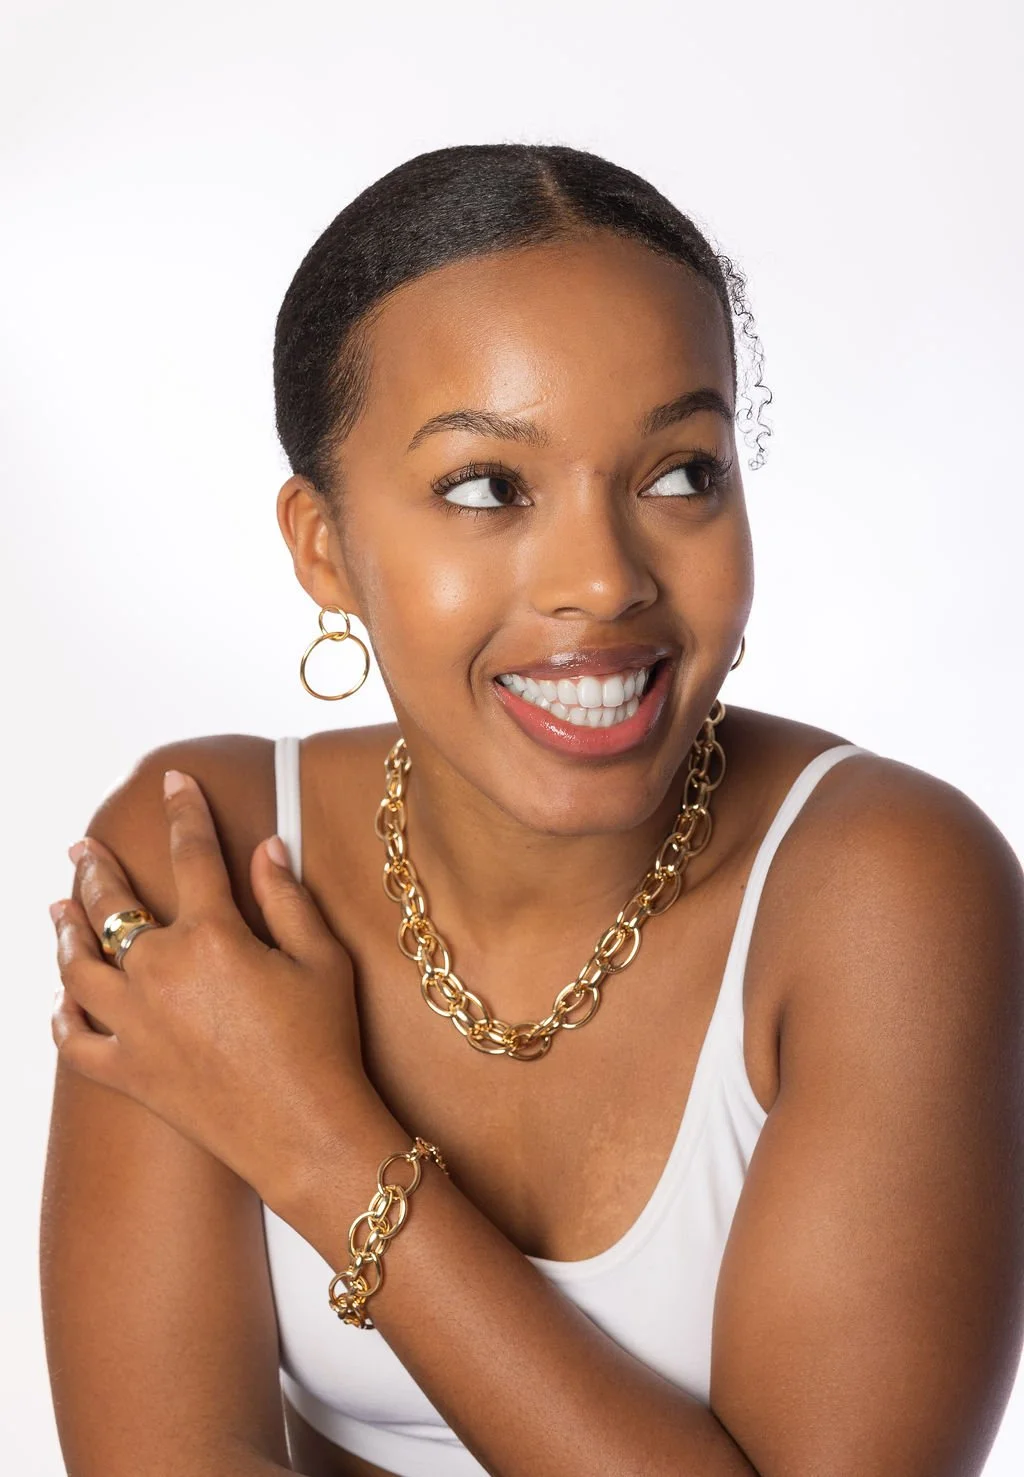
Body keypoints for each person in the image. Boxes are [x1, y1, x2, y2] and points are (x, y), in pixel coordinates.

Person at [41, 142, 1024, 1477]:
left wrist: (315, 1139)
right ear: (323, 546)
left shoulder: (885, 890)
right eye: (488, 489)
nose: (604, 582)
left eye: (680, 473)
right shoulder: (201, 854)